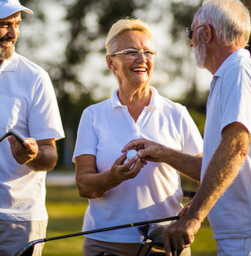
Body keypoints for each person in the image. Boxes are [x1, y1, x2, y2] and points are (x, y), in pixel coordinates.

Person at [125, 0, 251, 256]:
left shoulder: (238, 70)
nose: (190, 41)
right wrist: (163, 152)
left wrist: (194, 216)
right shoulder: (227, 74)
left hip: (244, 234)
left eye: (191, 32)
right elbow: (218, 165)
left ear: (206, 33)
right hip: (238, 232)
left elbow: (236, 146)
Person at [73, 17, 203, 256]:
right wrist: (113, 177)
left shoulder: (177, 113)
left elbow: (208, 172)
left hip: (165, 242)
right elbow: (83, 185)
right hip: (104, 242)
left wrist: (192, 212)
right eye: (131, 52)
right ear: (111, 62)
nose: (142, 59)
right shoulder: (92, 115)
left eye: (148, 52)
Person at [0, 0, 65, 256]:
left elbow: (50, 155)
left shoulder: (34, 78)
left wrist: (32, 155)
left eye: (17, 24)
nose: (13, 33)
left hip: (16, 222)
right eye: (4, 24)